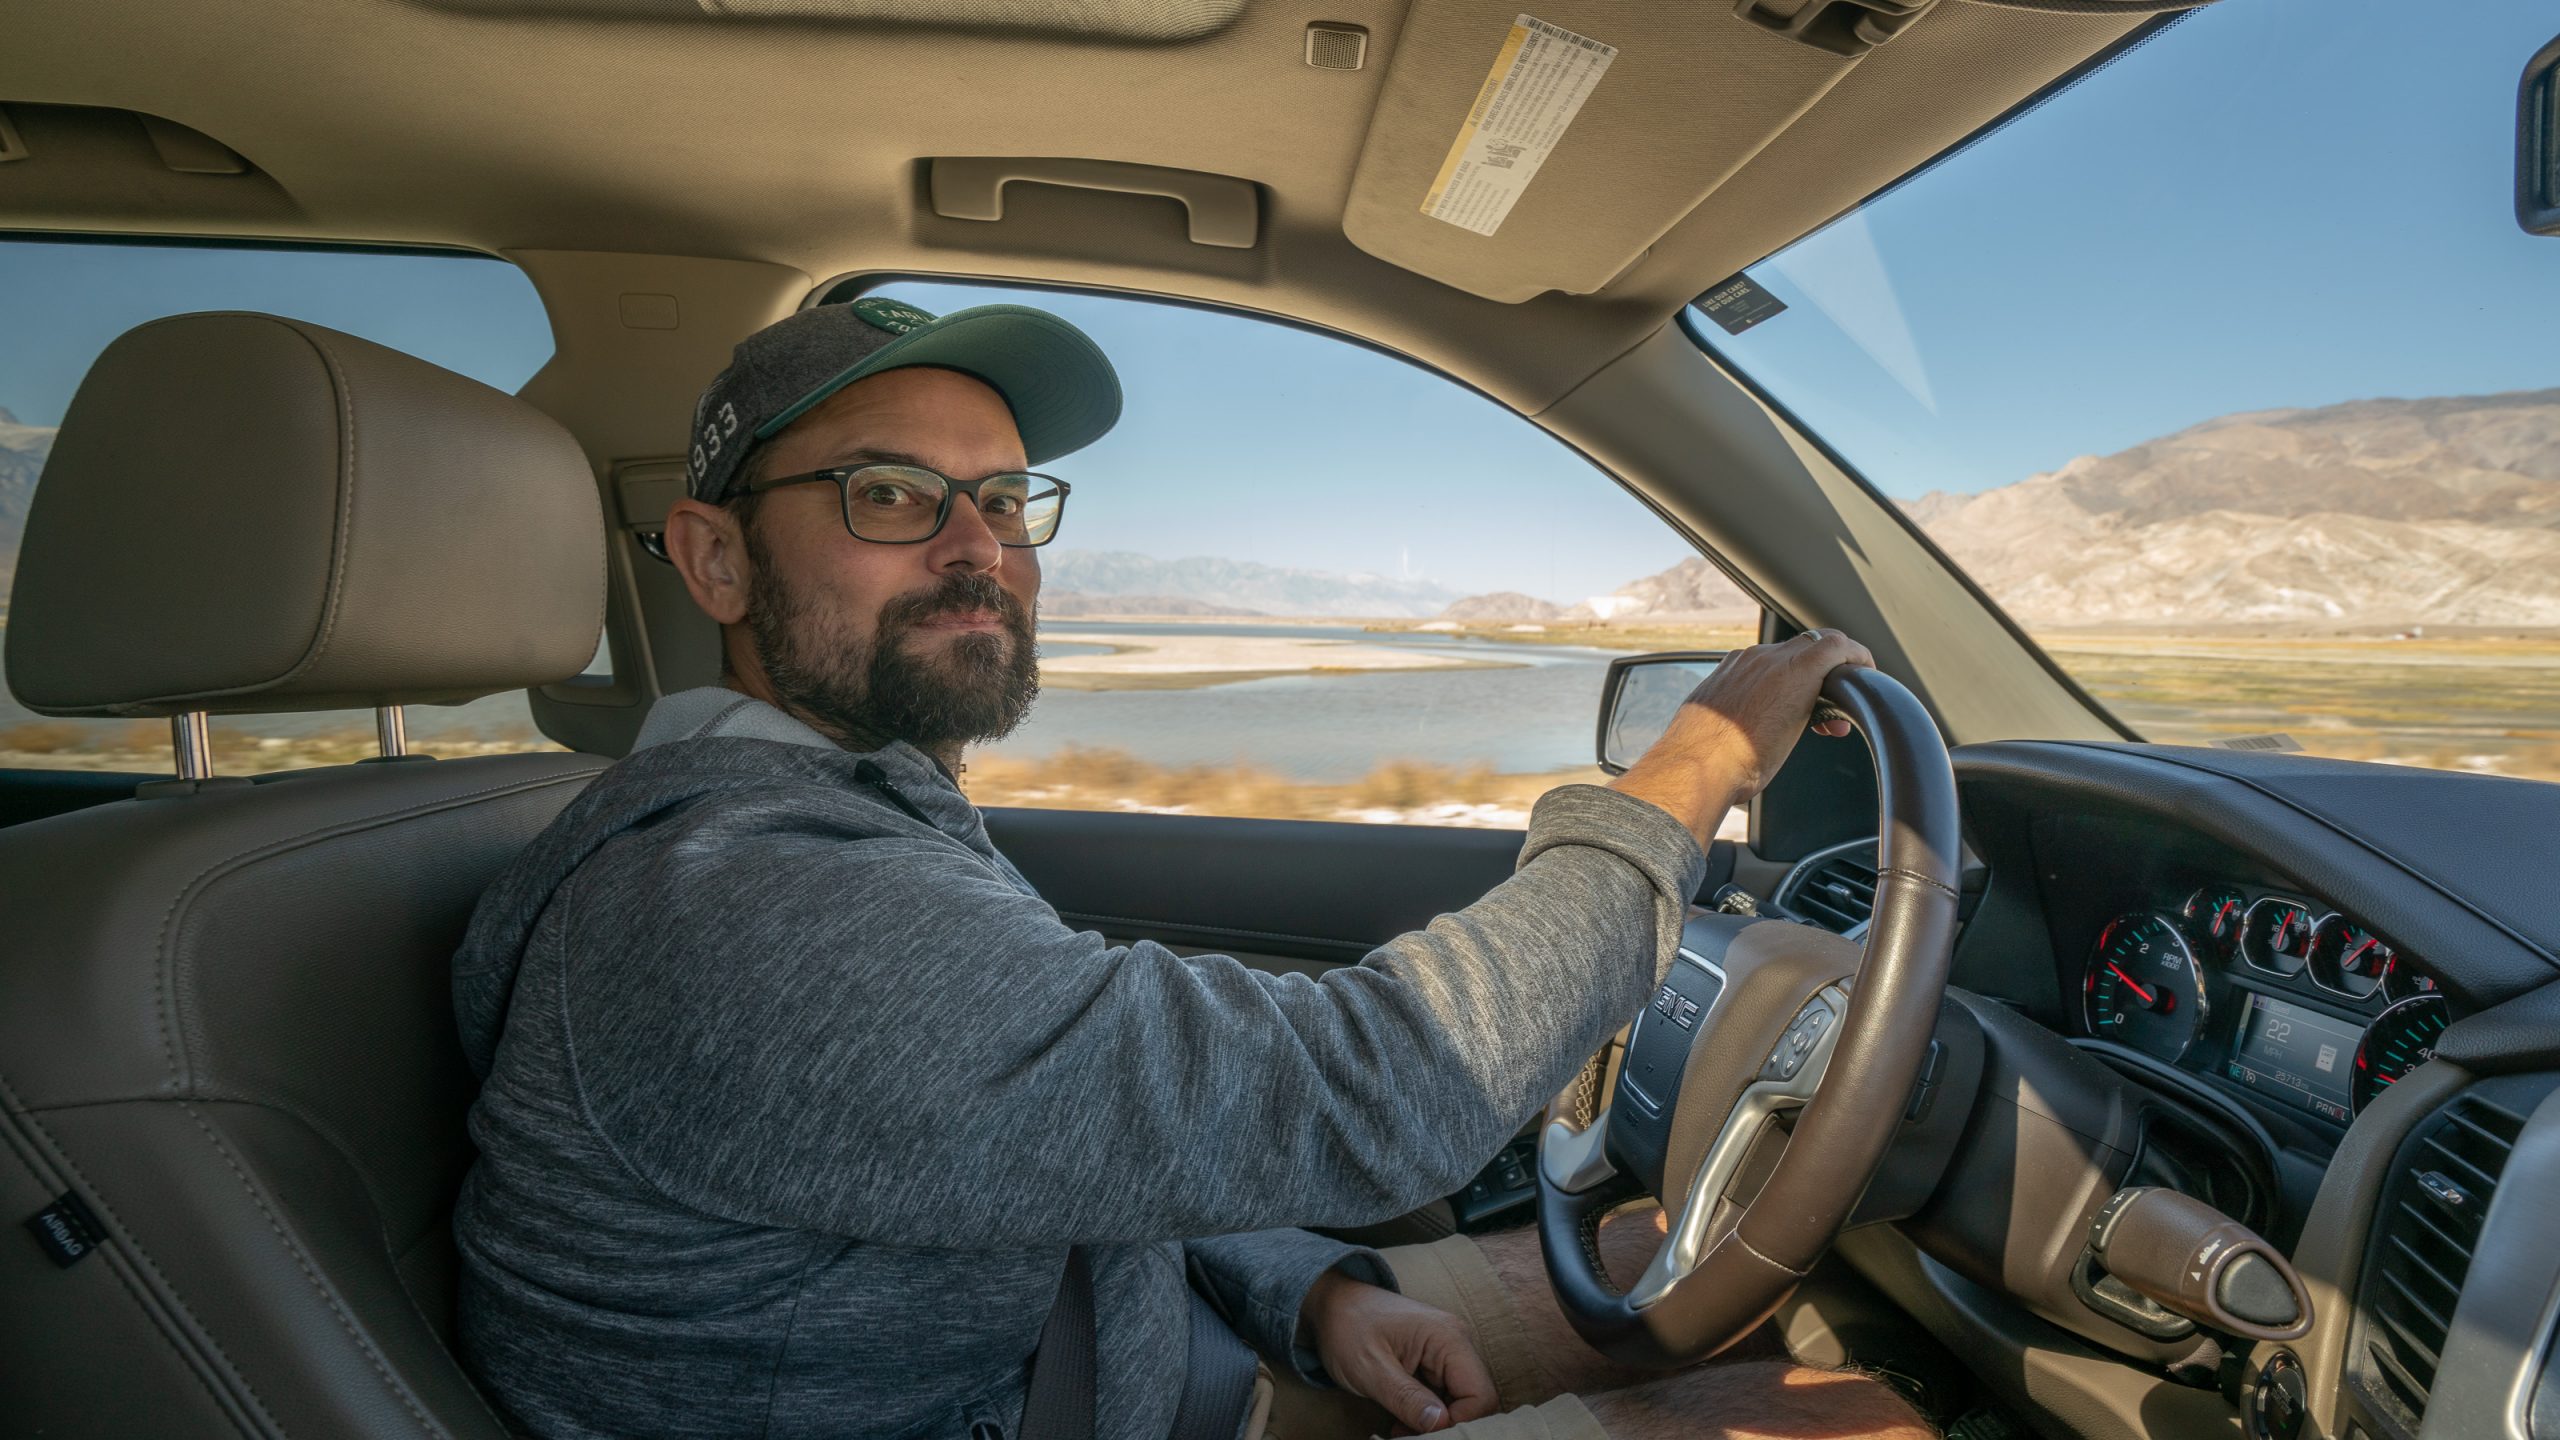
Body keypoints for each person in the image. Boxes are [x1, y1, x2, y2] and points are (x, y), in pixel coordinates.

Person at [450, 295, 1931, 1440]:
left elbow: (1065, 1135)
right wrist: (1689, 775)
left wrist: (1308, 1289)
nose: (979, 549)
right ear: (715, 561)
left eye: (1004, 500)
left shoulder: (845, 818)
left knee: (1679, 1264)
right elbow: (1378, 1080)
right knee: (1855, 1418)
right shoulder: (743, 905)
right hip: (1060, 1402)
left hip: (1119, 1354)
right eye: (889, 494)